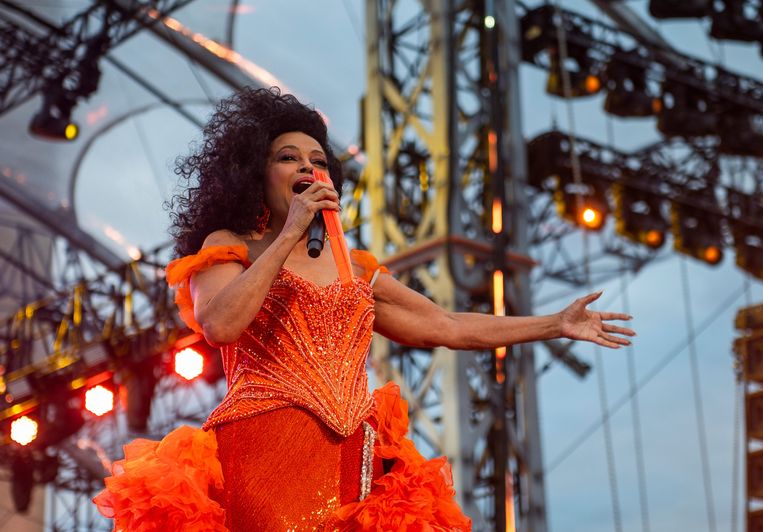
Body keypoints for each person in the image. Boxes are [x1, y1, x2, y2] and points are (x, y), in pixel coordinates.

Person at [92, 87, 635, 531]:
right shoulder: (230, 244)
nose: (309, 167)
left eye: (319, 161)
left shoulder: (357, 268)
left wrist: (554, 324)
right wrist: (289, 234)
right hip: (264, 451)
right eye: (288, 158)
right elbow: (220, 324)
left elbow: (446, 325)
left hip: (354, 455)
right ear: (255, 173)